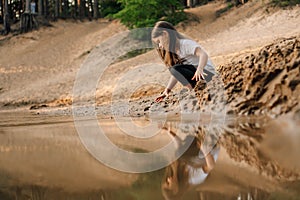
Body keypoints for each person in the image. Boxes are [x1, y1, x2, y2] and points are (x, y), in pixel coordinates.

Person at [151, 21, 216, 102]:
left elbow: (203, 54)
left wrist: (200, 69)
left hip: (207, 74)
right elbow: (177, 72)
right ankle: (195, 88)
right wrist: (167, 90)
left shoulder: (185, 44)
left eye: (159, 42)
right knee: (174, 69)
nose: (160, 46)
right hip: (197, 76)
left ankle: (194, 89)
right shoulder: (174, 52)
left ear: (165, 34)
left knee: (174, 69)